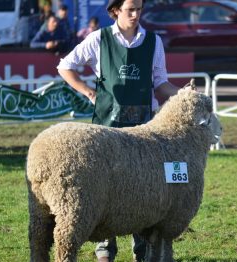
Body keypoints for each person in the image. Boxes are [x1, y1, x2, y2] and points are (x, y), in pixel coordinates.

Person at [57, 0, 179, 260]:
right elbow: (65, 66)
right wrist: (89, 91)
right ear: (115, 11)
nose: (135, 14)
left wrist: (185, 95)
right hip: (106, 129)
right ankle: (104, 250)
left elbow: (161, 82)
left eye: (139, 9)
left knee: (144, 189)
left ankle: (143, 249)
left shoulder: (153, 42)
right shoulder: (98, 38)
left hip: (144, 132)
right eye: (130, 9)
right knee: (105, 188)